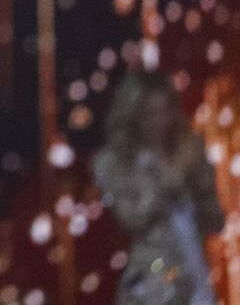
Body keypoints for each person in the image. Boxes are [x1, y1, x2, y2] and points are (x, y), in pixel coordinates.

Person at [91, 69, 224, 304]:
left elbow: (215, 221)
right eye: (149, 113)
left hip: (194, 269)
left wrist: (200, 179)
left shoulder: (187, 152)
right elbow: (132, 219)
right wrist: (163, 183)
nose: (159, 121)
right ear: (133, 116)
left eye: (165, 111)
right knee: (160, 280)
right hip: (153, 269)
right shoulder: (117, 163)